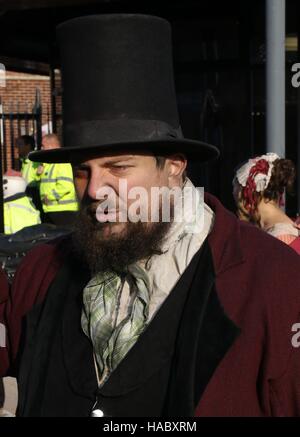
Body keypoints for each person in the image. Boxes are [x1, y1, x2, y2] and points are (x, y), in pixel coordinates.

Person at [1, 14, 300, 417]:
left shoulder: (274, 284)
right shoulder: (40, 276)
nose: (93, 189)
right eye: (81, 171)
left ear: (174, 166)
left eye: (119, 167)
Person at [233, 153, 300, 253]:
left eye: (235, 185)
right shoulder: (285, 231)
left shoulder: (278, 240)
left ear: (248, 191)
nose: (233, 192)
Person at [39, 133, 79, 226]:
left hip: (63, 210)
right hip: (52, 208)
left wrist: (49, 197)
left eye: (43, 146)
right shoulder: (50, 163)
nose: (41, 148)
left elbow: (66, 185)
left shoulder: (61, 162)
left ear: (51, 146)